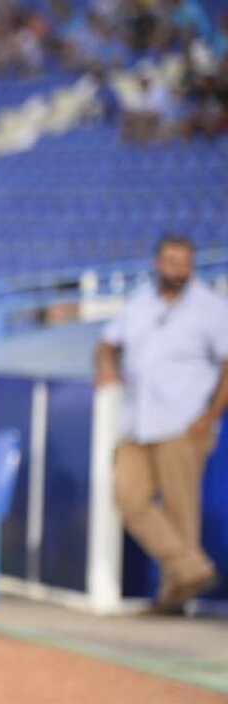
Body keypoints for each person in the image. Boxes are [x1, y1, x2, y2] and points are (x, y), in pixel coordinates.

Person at [96, 234, 227, 615]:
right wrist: (105, 363)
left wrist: (208, 417)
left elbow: (226, 366)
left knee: (182, 512)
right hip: (137, 421)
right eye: (171, 262)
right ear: (158, 263)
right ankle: (192, 569)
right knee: (129, 497)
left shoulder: (211, 308)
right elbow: (108, 341)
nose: (178, 270)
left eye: (184, 262)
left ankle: (173, 600)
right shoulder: (139, 302)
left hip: (183, 423)